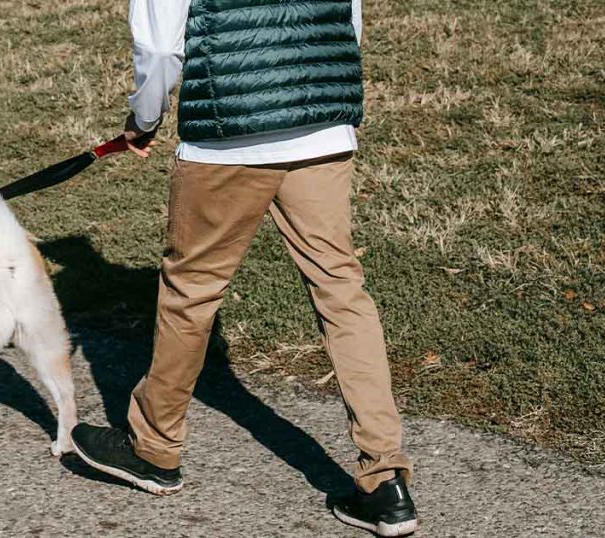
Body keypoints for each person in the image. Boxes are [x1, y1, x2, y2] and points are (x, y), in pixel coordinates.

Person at [69, 1, 418, 535]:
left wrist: (143, 120)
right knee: (340, 289)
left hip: (228, 132)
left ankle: (154, 448)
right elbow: (349, 18)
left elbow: (161, 47)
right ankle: (384, 479)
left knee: (192, 290)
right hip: (321, 124)